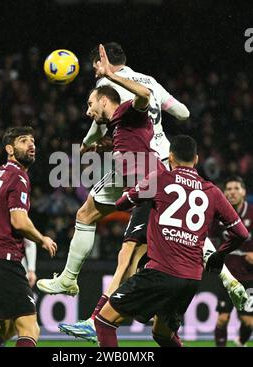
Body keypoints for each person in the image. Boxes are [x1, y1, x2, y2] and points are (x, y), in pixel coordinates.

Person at [55, 42, 248, 342]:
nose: (94, 72)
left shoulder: (108, 83)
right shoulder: (151, 82)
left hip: (145, 169)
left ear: (101, 62)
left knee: (124, 250)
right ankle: (227, 280)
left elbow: (98, 126)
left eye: (94, 66)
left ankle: (92, 314)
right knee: (157, 247)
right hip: (169, 168)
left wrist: (89, 144)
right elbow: (183, 113)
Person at [94, 135, 248, 347]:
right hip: (190, 280)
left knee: (103, 322)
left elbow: (121, 203)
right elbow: (241, 233)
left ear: (171, 157)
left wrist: (139, 191)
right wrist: (218, 255)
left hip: (159, 273)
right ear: (196, 159)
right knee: (162, 335)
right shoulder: (212, 191)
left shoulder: (160, 178)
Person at [37, 44, 163, 298]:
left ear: (104, 99)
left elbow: (145, 96)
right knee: (85, 215)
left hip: (146, 178)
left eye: (90, 103)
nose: (88, 110)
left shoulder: (128, 108)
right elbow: (130, 141)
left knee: (134, 251)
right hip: (129, 175)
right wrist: (100, 147)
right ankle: (69, 280)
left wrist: (111, 75)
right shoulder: (118, 124)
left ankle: (109, 314)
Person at [0, 126, 57, 347]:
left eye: (33, 141)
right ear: (9, 149)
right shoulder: (18, 177)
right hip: (2, 260)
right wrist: (42, 239)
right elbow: (19, 221)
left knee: (7, 329)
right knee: (30, 328)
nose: (31, 145)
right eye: (23, 141)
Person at [211, 176, 253, 347]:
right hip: (227, 275)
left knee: (249, 321)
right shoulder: (220, 214)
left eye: (236, 188)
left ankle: (240, 342)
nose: (232, 192)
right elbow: (210, 239)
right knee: (222, 319)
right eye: (228, 189)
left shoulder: (251, 213)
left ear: (243, 192)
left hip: (249, 276)